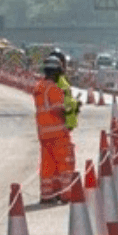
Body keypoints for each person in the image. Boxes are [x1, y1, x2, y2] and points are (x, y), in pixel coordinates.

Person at [33, 57, 76, 203]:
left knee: (47, 165)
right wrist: (71, 110)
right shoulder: (53, 88)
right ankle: (66, 194)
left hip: (44, 133)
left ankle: (47, 194)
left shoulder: (39, 87)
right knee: (64, 164)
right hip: (58, 133)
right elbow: (58, 110)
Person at [48, 48, 80, 133]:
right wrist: (76, 104)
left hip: (47, 130)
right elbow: (67, 105)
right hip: (60, 130)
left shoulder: (43, 84)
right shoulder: (61, 82)